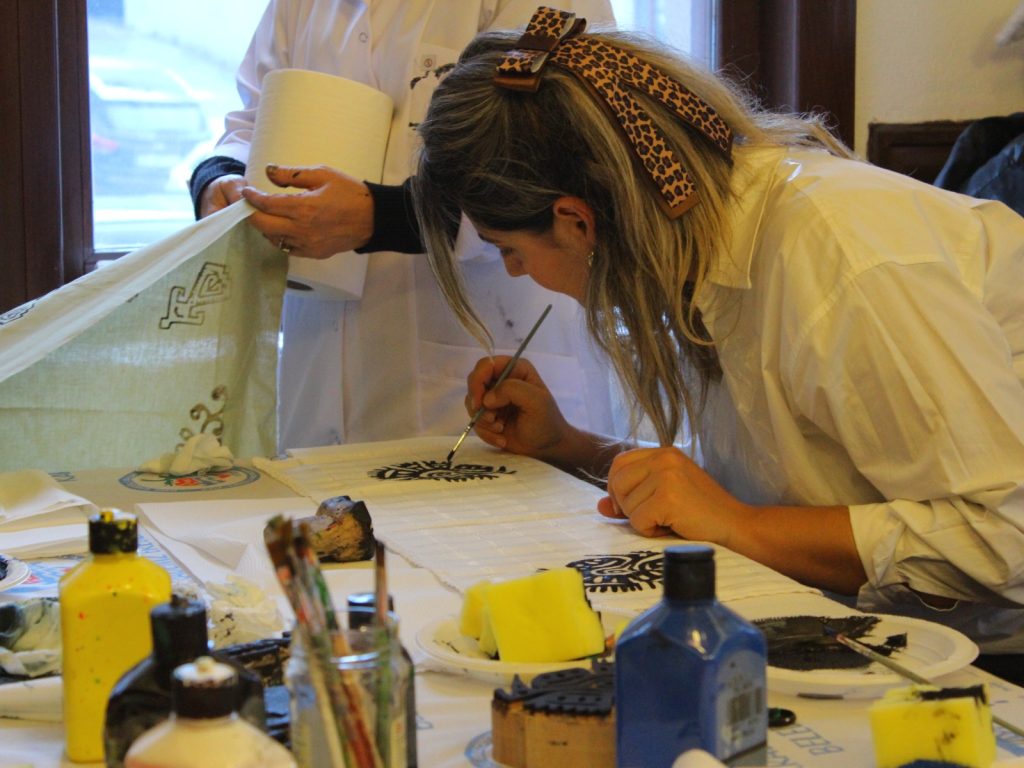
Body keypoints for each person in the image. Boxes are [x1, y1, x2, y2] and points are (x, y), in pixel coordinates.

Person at [411, 7, 1024, 654]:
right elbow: (766, 488)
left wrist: (739, 525)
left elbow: (1004, 539)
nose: (517, 272)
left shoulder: (841, 257)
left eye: (509, 250)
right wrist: (569, 445)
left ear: (576, 222)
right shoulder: (700, 249)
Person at [189, 0, 620, 449]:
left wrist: (380, 216)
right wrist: (220, 179)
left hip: (485, 361)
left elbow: (554, 163)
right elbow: (254, 120)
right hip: (316, 365)